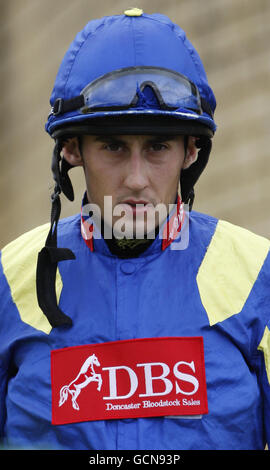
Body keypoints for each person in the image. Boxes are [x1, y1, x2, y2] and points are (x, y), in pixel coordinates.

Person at [0, 8, 269, 451]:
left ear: (190, 151)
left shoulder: (258, 275)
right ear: (72, 150)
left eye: (158, 146)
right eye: (113, 146)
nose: (137, 179)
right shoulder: (10, 281)